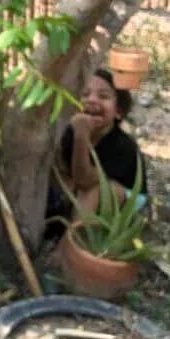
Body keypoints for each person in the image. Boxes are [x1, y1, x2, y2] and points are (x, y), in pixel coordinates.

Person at [46, 69, 148, 232]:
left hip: (125, 194)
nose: (92, 100)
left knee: (93, 191)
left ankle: (75, 241)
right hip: (86, 184)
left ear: (118, 112)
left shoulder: (122, 146)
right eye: (84, 94)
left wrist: (81, 136)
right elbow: (66, 171)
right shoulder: (69, 133)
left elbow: (85, 179)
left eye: (103, 96)